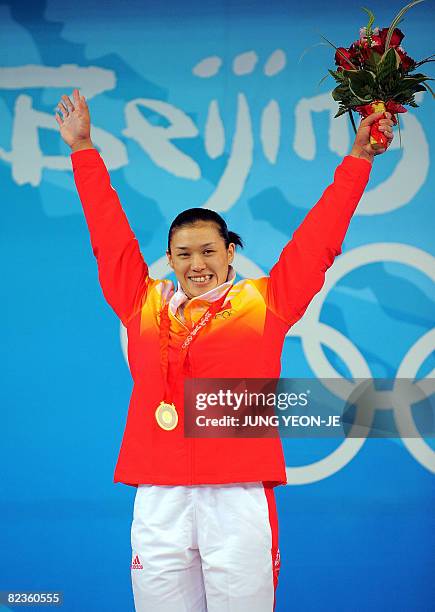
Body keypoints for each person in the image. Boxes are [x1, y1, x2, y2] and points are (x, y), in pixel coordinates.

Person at [55, 89, 394, 612]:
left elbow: (318, 242)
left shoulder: (266, 303)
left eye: (209, 251)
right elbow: (109, 236)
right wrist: (83, 150)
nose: (197, 264)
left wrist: (358, 161)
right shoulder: (142, 303)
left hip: (237, 497)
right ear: (168, 259)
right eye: (184, 254)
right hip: (159, 495)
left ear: (230, 251)